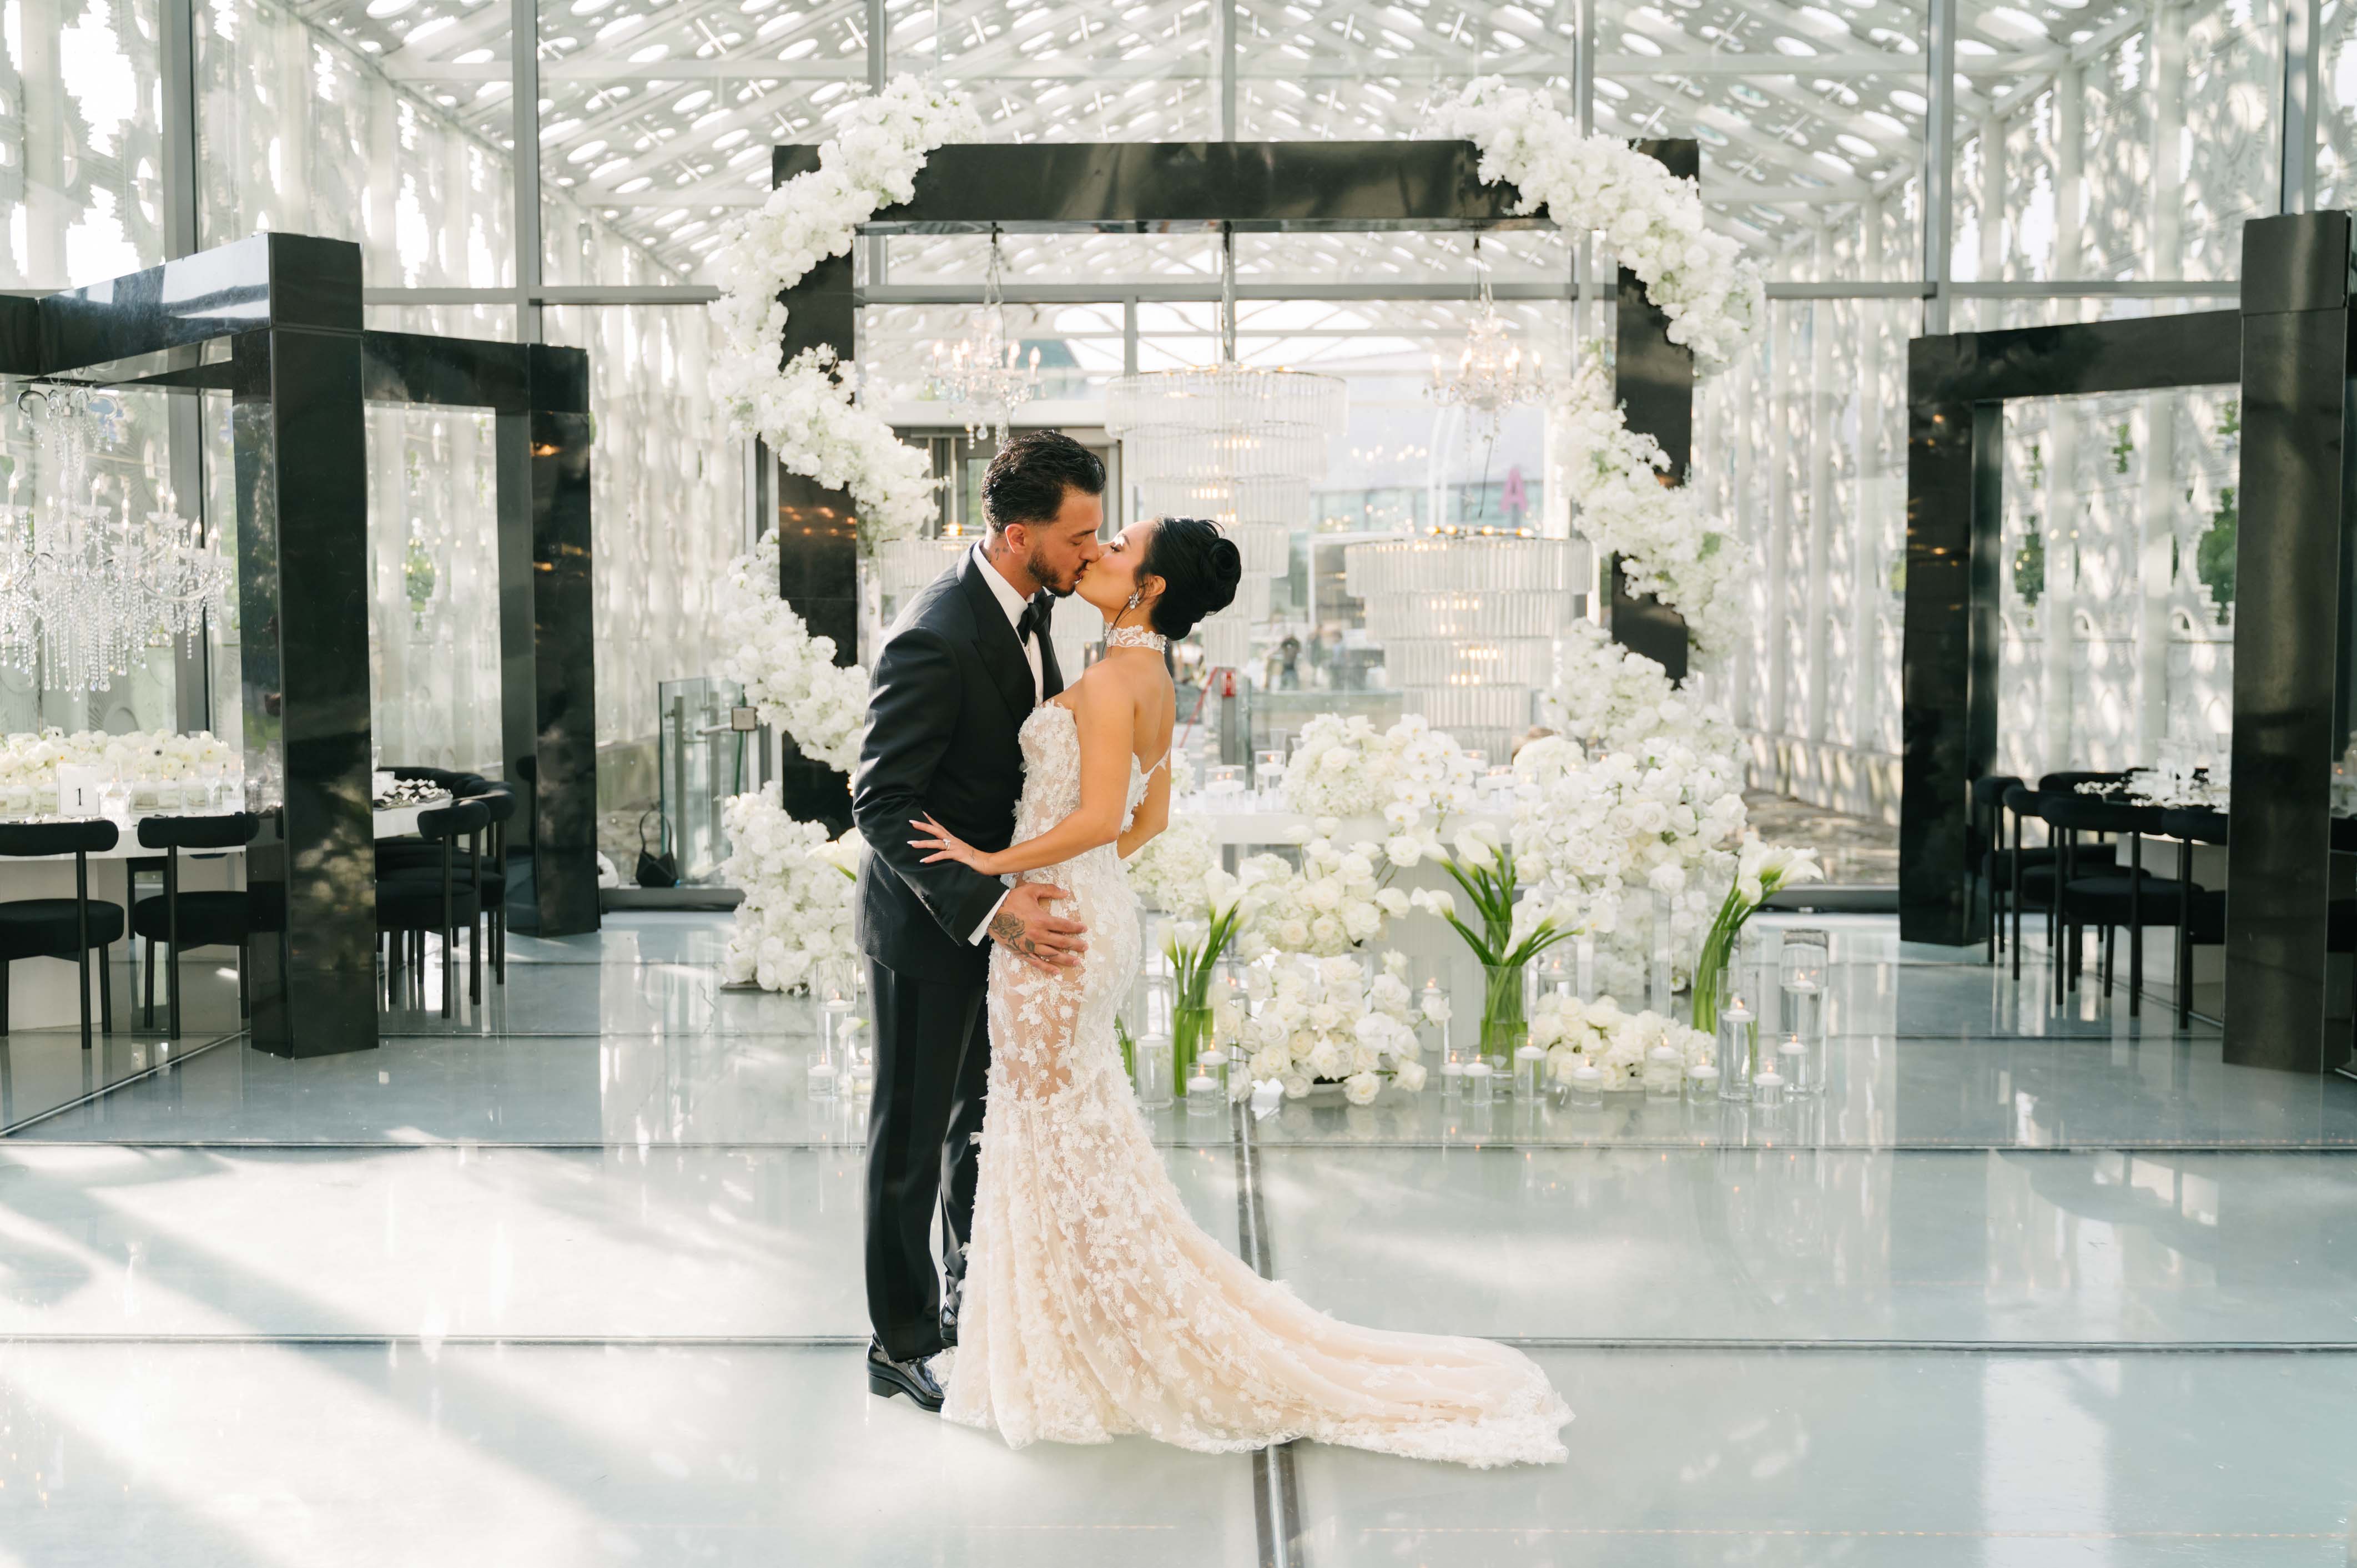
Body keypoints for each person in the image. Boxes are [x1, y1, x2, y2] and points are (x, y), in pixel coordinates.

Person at [906, 515, 1572, 1466]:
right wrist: (1087, 879)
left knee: (1043, 1124)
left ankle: (1070, 1345)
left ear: (1152, 589)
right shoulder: (1153, 679)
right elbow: (1149, 817)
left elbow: (1101, 814)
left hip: (1052, 927)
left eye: (1115, 548)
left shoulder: (1104, 682)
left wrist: (989, 865)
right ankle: (1069, 1334)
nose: (1093, 553)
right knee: (1063, 1125)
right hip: (1092, 912)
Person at [849, 430, 1104, 1411]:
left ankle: (970, 1294)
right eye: (1076, 534)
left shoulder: (1033, 605)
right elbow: (881, 802)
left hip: (997, 927)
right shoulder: (933, 632)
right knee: (909, 1138)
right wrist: (993, 906)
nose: (1090, 550)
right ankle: (899, 1337)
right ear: (1012, 533)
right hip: (927, 928)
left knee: (976, 1124)